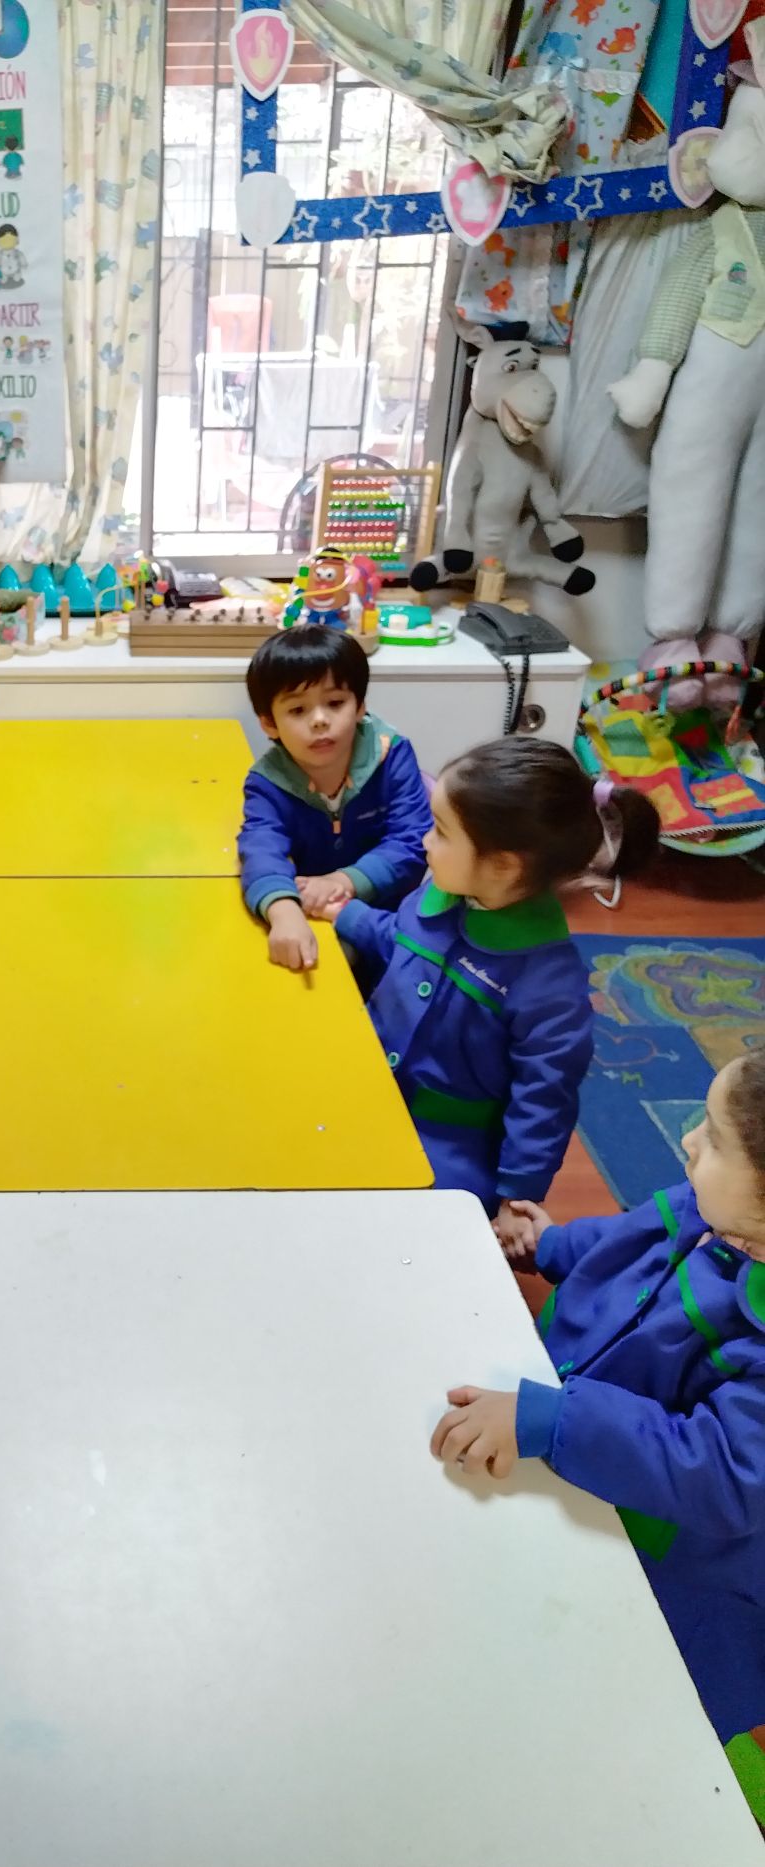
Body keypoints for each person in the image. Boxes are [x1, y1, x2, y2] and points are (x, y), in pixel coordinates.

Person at [432, 1050, 765, 1755]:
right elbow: (627, 1236)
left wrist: (557, 1420)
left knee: (622, 1716)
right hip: (575, 1457)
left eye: (712, 1135)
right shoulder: (714, 1205)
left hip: (672, 1563)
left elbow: (724, 1472)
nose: (689, 1140)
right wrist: (547, 1244)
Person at [322, 738, 659, 1224]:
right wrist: (346, 913)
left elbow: (544, 1097)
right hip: (367, 1086)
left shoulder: (549, 987)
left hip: (447, 1145)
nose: (425, 842)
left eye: (440, 832)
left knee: (401, 1223)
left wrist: (516, 1198)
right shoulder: (436, 898)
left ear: (502, 865)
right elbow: (399, 941)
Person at [237, 626, 430, 972]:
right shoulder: (267, 783)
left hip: (392, 919)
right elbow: (260, 848)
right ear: (269, 723)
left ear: (360, 706)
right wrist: (283, 911)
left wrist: (343, 881)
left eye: (336, 703)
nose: (320, 720)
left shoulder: (392, 755)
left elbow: (412, 841)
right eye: (298, 710)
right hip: (310, 913)